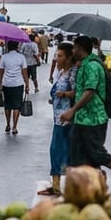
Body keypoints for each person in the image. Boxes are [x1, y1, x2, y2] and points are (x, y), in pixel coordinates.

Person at [59, 35, 111, 197]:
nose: (72, 50)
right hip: (82, 119)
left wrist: (72, 110)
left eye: (74, 48)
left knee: (96, 152)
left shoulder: (92, 67)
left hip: (94, 118)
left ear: (81, 49)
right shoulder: (85, 64)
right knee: (78, 155)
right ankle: (97, 180)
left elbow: (89, 92)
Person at [39, 41, 77, 197]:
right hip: (58, 118)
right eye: (56, 55)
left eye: (60, 56)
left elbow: (78, 92)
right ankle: (56, 185)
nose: (57, 59)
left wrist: (65, 95)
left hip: (67, 119)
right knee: (56, 150)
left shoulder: (73, 73)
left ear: (69, 58)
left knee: (65, 152)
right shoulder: (61, 72)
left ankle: (70, 185)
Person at [0, 40, 28, 135]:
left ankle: (7, 124)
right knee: (16, 106)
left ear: (8, 47)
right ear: (17, 46)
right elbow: (24, 72)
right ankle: (14, 127)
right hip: (18, 84)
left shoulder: (4, 57)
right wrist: (27, 84)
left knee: (7, 105)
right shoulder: (21, 57)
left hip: (6, 84)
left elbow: (0, 71)